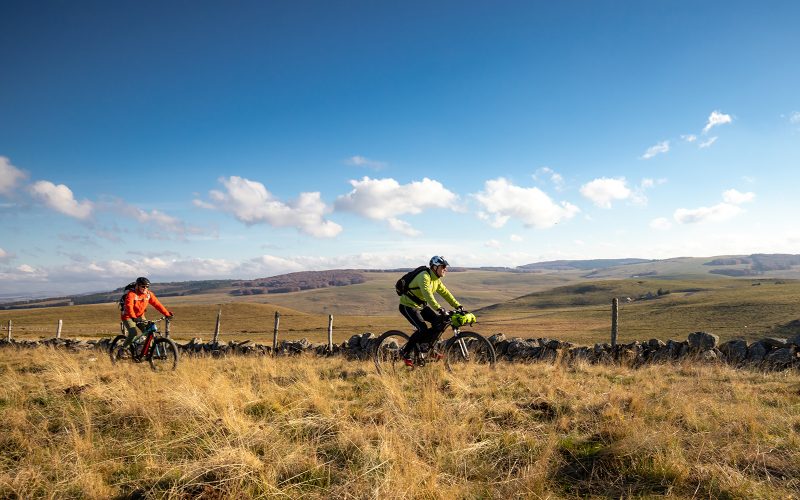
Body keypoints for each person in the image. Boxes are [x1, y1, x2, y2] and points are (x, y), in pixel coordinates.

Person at [399, 255, 462, 366]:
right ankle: (405, 352)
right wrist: (438, 308)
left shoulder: (436, 280)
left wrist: (458, 306)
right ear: (434, 267)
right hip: (408, 305)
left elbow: (445, 293)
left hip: (421, 306)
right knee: (422, 329)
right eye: (443, 267)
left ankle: (427, 347)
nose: (445, 269)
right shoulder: (424, 276)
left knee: (439, 322)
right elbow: (427, 294)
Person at [120, 276, 173, 349]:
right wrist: (133, 317)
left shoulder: (148, 294)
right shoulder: (131, 294)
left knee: (149, 331)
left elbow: (157, 304)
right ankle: (123, 349)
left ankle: (145, 351)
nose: (145, 288)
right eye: (143, 286)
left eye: (147, 286)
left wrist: (167, 314)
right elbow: (129, 306)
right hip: (128, 316)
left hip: (140, 316)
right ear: (137, 286)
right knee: (133, 333)